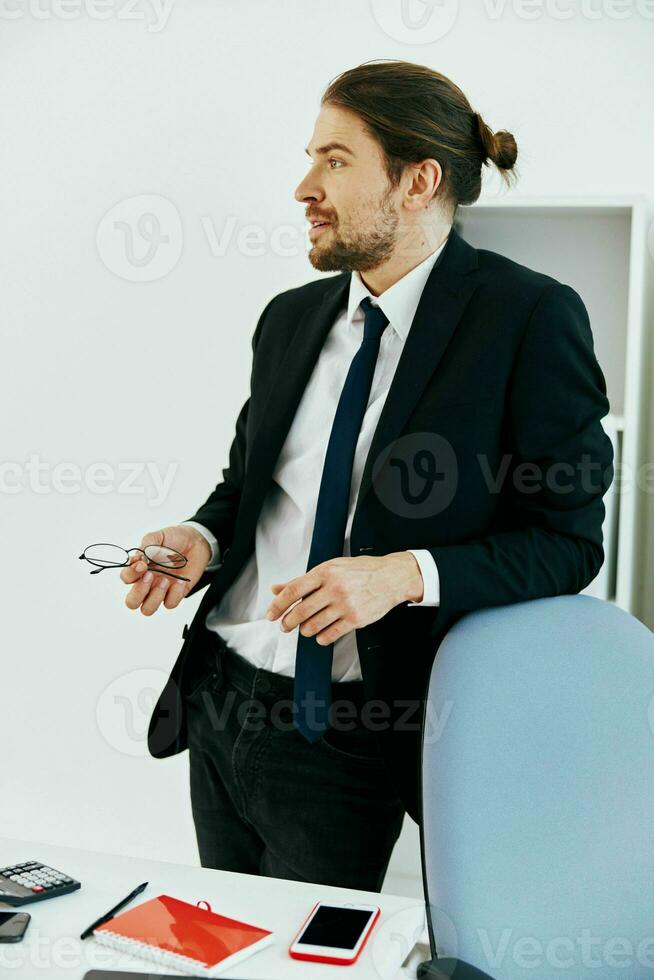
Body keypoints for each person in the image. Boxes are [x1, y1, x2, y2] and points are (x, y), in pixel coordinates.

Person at [121, 60, 614, 891]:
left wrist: (402, 577)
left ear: (419, 181)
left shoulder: (529, 319)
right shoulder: (289, 319)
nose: (304, 187)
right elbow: (248, 485)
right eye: (311, 157)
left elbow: (566, 544)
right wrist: (199, 538)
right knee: (229, 945)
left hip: (348, 730)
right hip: (217, 698)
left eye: (336, 161)